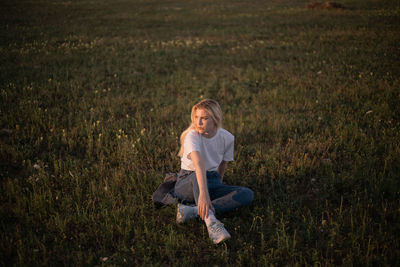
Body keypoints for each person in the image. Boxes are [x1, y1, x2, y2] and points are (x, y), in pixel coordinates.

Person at [174, 99, 254, 244]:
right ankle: (211, 222)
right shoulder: (192, 136)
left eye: (204, 118)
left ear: (215, 119)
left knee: (247, 194)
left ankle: (192, 211)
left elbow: (223, 165)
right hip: (187, 181)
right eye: (197, 118)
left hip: (211, 180)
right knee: (197, 176)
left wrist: (218, 185)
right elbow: (198, 164)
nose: (198, 123)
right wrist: (204, 194)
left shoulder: (227, 138)